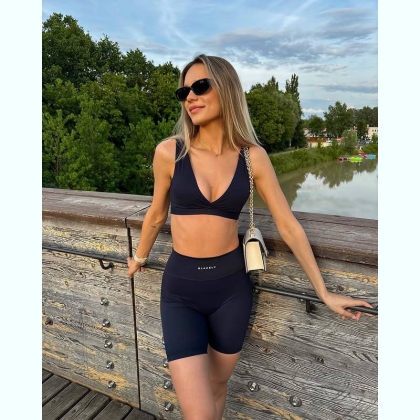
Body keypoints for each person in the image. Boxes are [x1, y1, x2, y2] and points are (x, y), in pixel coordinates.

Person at [127, 54, 373, 420]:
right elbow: (156, 214)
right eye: (184, 91)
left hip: (231, 290)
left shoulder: (252, 157)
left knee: (218, 387)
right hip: (181, 292)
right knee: (199, 413)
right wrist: (139, 258)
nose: (190, 96)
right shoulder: (170, 152)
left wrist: (323, 292)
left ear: (227, 89)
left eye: (200, 86)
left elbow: (288, 225)